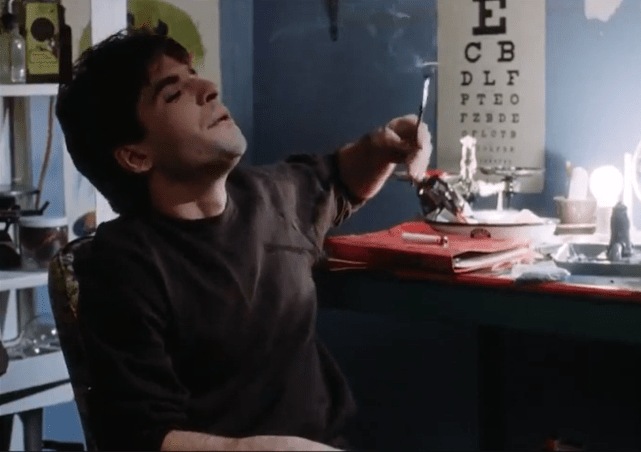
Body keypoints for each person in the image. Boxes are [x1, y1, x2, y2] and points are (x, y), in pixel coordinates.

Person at [55, 28, 432, 451]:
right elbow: (140, 436)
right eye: (174, 93)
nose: (208, 88)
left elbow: (339, 180)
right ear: (136, 155)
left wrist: (384, 144)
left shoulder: (270, 195)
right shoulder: (123, 264)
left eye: (195, 74)